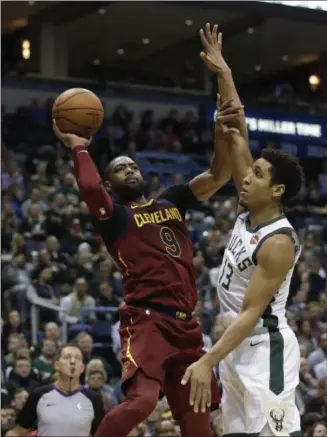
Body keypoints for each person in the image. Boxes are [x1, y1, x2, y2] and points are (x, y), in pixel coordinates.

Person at [51, 68, 243, 436]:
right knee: (141, 403)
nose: (130, 169)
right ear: (112, 183)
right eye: (121, 168)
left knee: (197, 419)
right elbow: (90, 188)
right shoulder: (116, 218)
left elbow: (218, 175)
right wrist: (78, 146)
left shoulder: (172, 200)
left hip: (187, 327)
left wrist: (221, 130)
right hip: (148, 320)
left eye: (133, 165)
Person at [181, 23, 304, 436]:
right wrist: (224, 74)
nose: (247, 177)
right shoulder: (249, 205)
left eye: (259, 174)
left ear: (278, 190)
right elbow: (236, 135)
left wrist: (206, 360)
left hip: (264, 348)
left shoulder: (279, 241)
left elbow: (252, 313)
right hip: (236, 347)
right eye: (249, 173)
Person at [6, 344, 105, 436]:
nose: (72, 361)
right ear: (57, 365)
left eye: (77, 358)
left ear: (82, 368)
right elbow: (17, 433)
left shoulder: (94, 399)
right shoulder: (38, 395)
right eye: (67, 357)